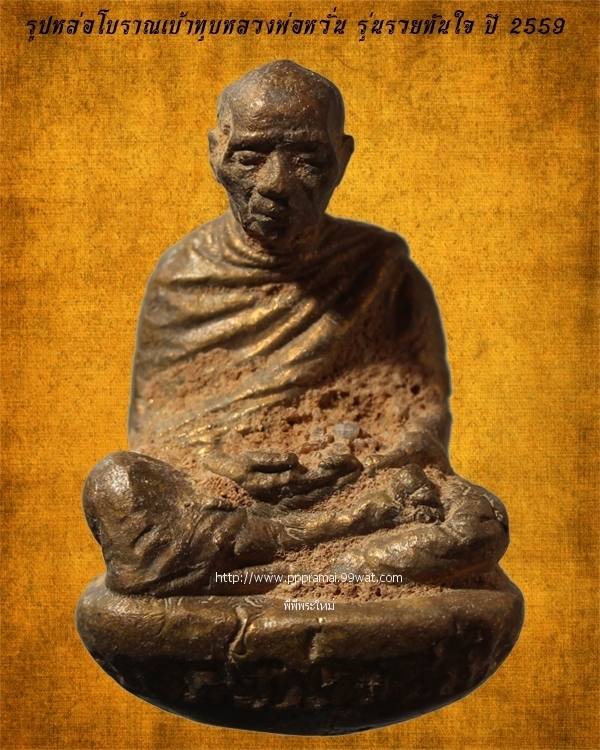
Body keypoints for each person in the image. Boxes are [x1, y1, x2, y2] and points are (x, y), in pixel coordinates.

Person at [83, 60, 509, 598]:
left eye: (307, 158)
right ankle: (318, 556)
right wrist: (221, 464)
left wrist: (363, 463)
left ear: (342, 158)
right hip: (226, 501)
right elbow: (155, 436)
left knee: (481, 522)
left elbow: (421, 414)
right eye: (250, 157)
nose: (275, 184)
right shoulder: (183, 274)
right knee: (115, 482)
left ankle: (283, 573)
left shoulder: (380, 267)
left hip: (361, 488)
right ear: (216, 153)